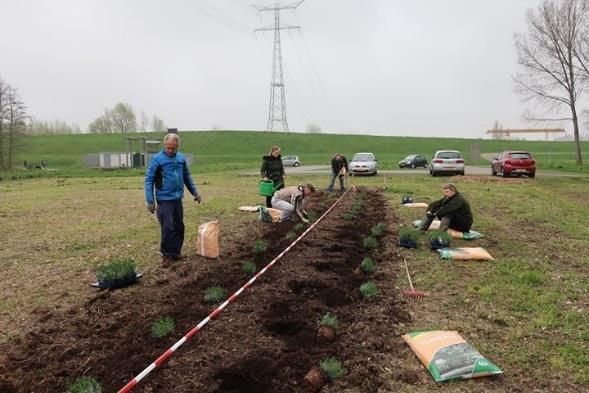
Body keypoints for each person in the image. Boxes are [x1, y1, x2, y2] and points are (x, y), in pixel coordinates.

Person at [145, 133, 201, 266]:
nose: (170, 151)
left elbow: (187, 177)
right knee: (167, 228)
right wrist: (150, 200)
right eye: (168, 148)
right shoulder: (157, 159)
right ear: (164, 145)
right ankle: (166, 256)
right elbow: (149, 180)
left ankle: (175, 253)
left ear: (177, 147)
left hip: (177, 199)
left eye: (173, 148)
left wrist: (195, 192)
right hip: (164, 199)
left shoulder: (181, 159)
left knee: (179, 227)